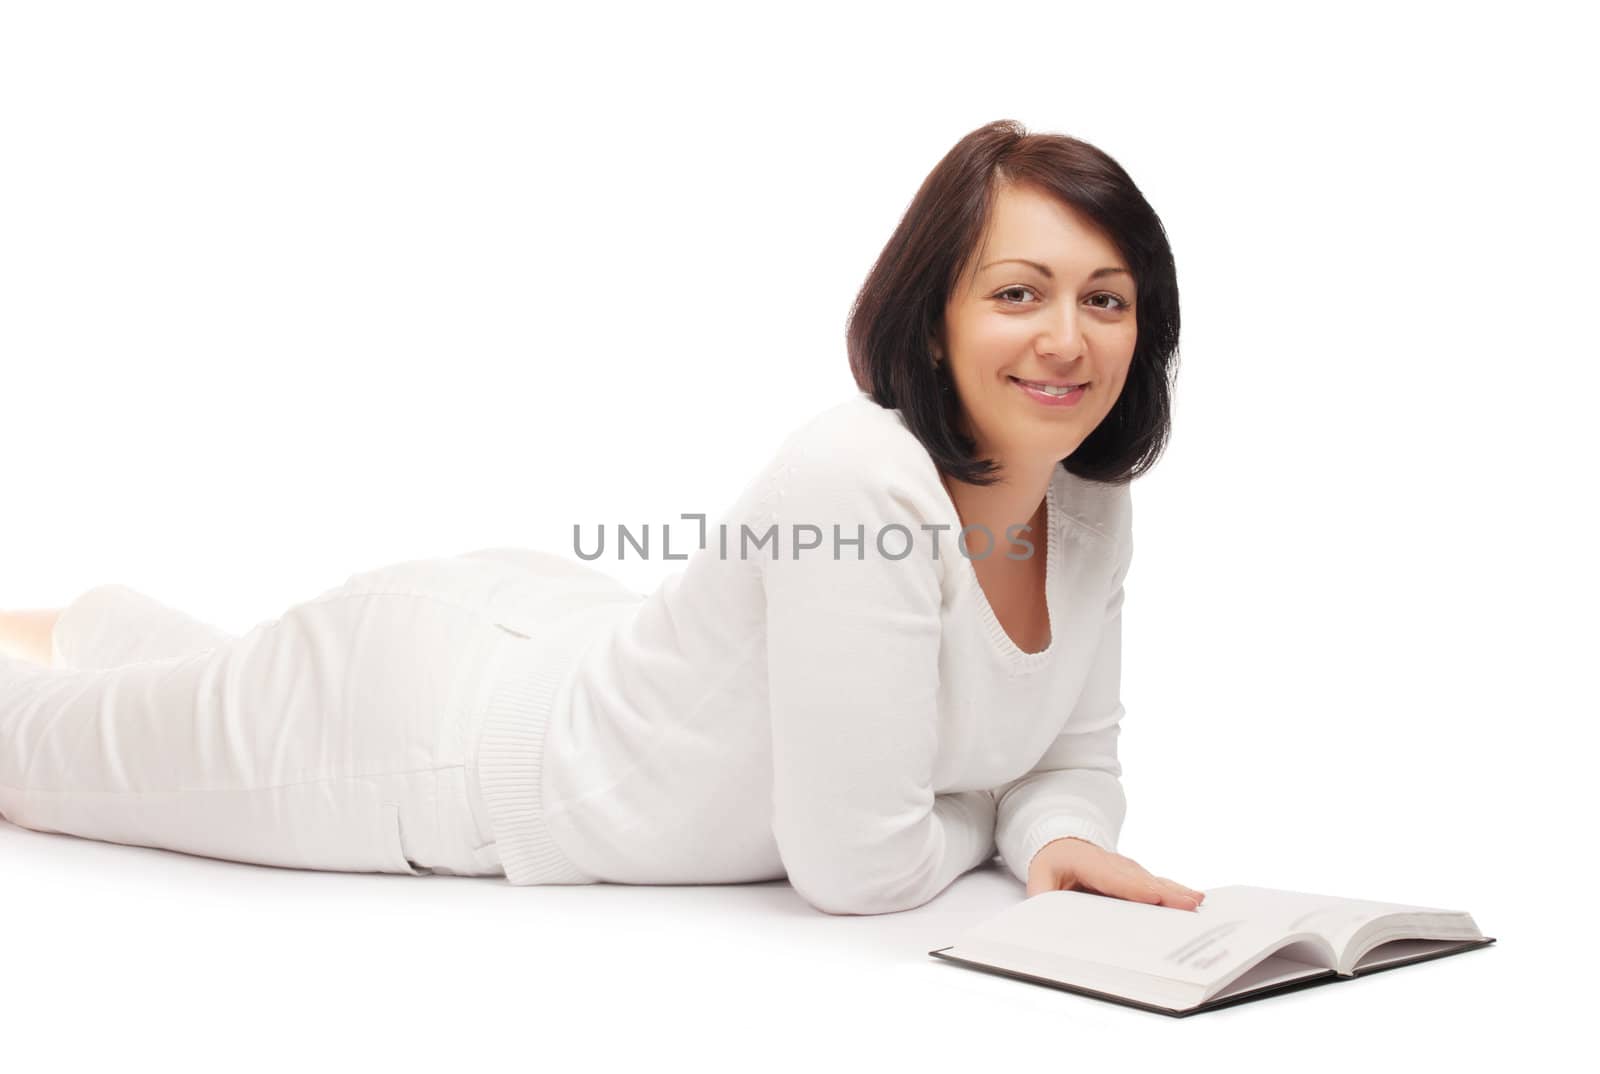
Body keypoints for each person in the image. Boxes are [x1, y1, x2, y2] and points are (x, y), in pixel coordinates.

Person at [1, 118, 1205, 916]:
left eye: (1106, 298)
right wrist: (986, 818)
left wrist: (1049, 841)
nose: (1067, 337)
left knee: (182, 692)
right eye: (1017, 292)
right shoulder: (856, 482)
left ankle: (91, 624)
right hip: (424, 737)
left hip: (550, 639)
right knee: (38, 756)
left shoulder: (1090, 502)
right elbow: (858, 865)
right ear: (931, 315)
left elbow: (1072, 761)